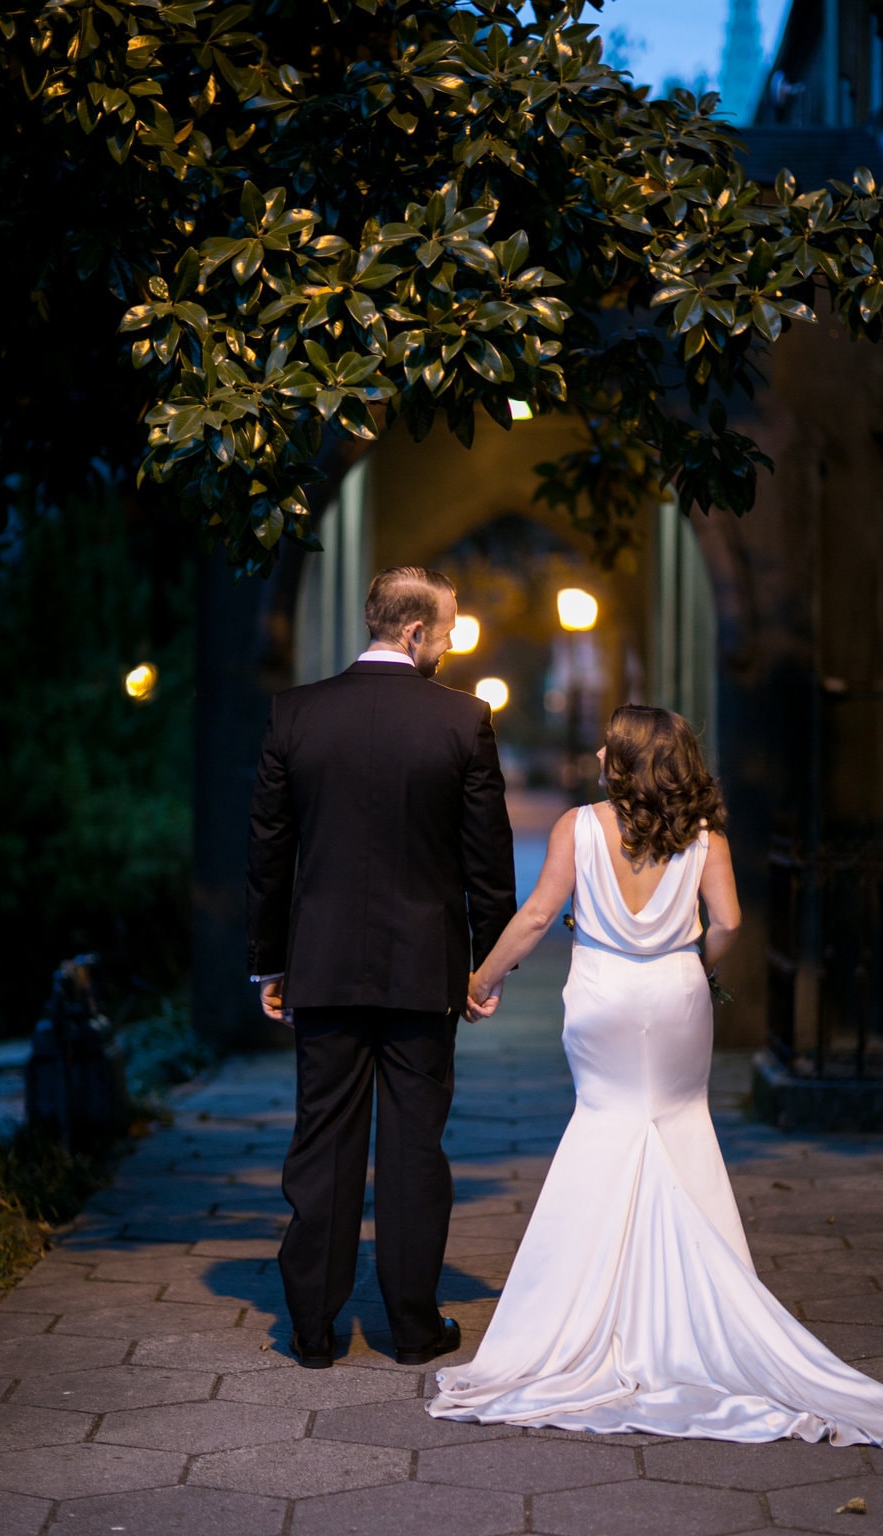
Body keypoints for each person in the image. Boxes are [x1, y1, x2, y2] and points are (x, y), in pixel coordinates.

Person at [429, 705, 883, 1445]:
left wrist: (481, 978)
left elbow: (540, 915)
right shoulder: (707, 840)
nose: (599, 747)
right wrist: (691, 967)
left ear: (627, 760)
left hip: (603, 996)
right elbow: (727, 922)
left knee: (603, 1127)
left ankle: (580, 1311)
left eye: (611, 741)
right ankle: (697, 1306)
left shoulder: (579, 827)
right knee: (679, 1126)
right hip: (674, 995)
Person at [246, 565, 516, 1370]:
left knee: (322, 1137)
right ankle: (411, 1326)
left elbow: (269, 853)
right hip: (422, 968)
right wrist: (488, 965)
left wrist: (269, 964)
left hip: (321, 964)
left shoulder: (296, 715)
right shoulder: (464, 722)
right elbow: (486, 859)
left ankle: (313, 1330)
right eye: (449, 628)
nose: (451, 642)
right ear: (414, 632)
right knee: (413, 1145)